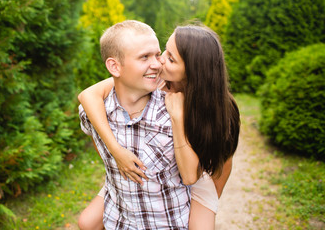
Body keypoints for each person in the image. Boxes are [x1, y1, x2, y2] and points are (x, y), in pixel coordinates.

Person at [78, 24, 240, 230]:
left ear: (192, 70)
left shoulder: (220, 109)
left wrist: (209, 200)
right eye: (163, 50)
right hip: (139, 181)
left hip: (199, 177)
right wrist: (117, 153)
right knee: (86, 222)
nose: (160, 61)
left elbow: (222, 162)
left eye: (170, 58)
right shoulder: (157, 82)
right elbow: (87, 96)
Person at [78, 20, 191, 229]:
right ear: (114, 66)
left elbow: (192, 175)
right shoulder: (92, 114)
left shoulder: (174, 110)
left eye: (157, 55)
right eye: (144, 57)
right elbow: (106, 159)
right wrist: (116, 151)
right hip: (119, 222)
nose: (157, 64)